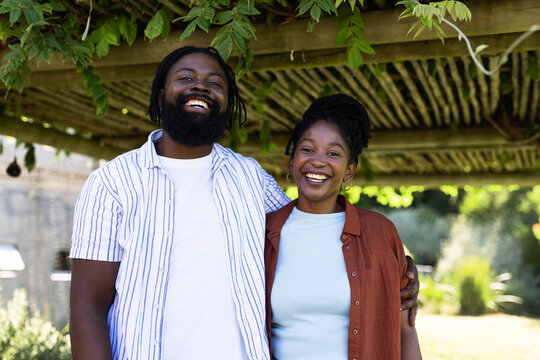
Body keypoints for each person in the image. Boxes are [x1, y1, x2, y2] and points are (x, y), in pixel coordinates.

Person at [69, 46, 419, 360]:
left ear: (227, 103)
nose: (201, 86)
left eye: (214, 82)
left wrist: (395, 270)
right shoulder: (112, 183)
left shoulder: (249, 178)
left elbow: (309, 225)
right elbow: (88, 306)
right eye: (186, 78)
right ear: (161, 96)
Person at [265, 94, 422, 359]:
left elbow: (406, 332)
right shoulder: (262, 233)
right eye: (307, 149)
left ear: (349, 170)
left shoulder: (380, 233)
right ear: (291, 161)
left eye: (333, 153)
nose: (318, 161)